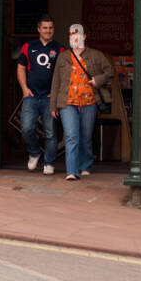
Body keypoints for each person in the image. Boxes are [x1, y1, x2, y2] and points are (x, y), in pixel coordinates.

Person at [48, 23, 113, 181]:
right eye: (71, 34)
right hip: (67, 102)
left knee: (85, 136)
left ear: (84, 37)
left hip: (89, 102)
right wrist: (53, 106)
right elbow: (56, 81)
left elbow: (110, 71)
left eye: (77, 34)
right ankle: (72, 170)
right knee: (71, 136)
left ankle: (85, 165)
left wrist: (97, 80)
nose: (74, 37)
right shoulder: (63, 56)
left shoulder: (96, 55)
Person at [17, 14, 64, 174]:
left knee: (50, 132)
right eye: (45, 28)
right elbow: (21, 68)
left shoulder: (60, 49)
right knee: (26, 128)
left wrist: (56, 93)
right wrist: (24, 88)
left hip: (49, 97)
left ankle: (49, 163)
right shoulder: (28, 46)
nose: (48, 31)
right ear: (38, 29)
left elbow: (65, 74)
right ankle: (34, 153)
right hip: (31, 95)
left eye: (50, 28)